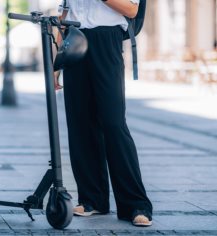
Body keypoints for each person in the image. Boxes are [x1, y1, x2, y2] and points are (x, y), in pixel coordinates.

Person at [56, 0, 153, 227]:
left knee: (113, 123)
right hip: (75, 39)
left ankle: (136, 204)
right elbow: (64, 15)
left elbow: (132, 9)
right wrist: (56, 63)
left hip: (107, 40)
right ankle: (92, 199)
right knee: (80, 123)